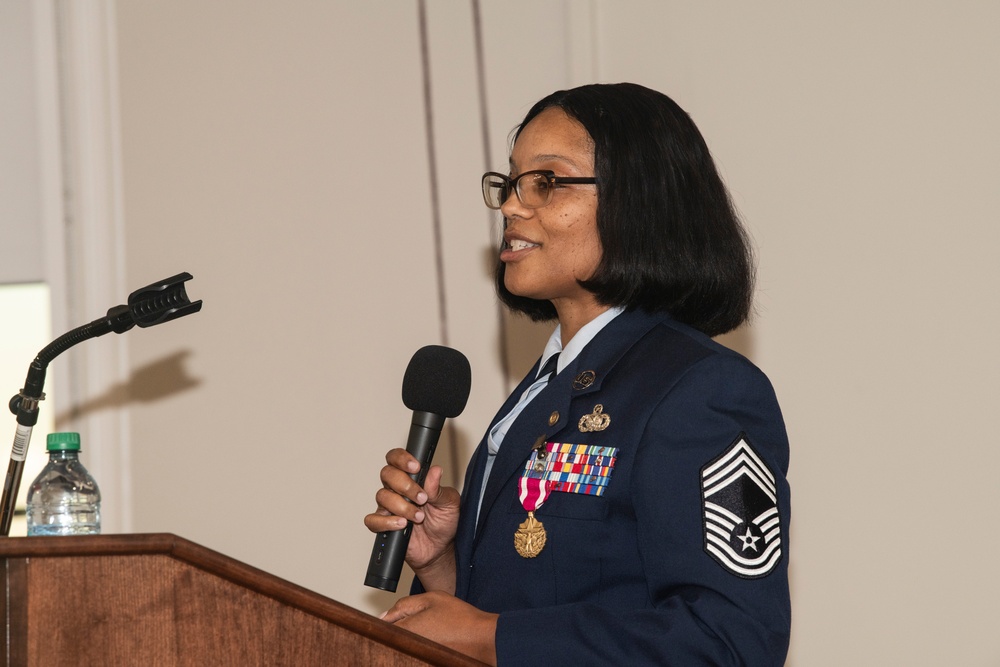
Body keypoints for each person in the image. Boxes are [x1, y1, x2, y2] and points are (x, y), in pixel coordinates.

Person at [365, 82, 791, 666]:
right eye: (512, 183)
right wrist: (444, 567)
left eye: (546, 181)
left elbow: (726, 643)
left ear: (637, 200)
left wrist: (489, 636)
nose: (514, 205)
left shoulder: (701, 390)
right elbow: (535, 599)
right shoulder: (547, 387)